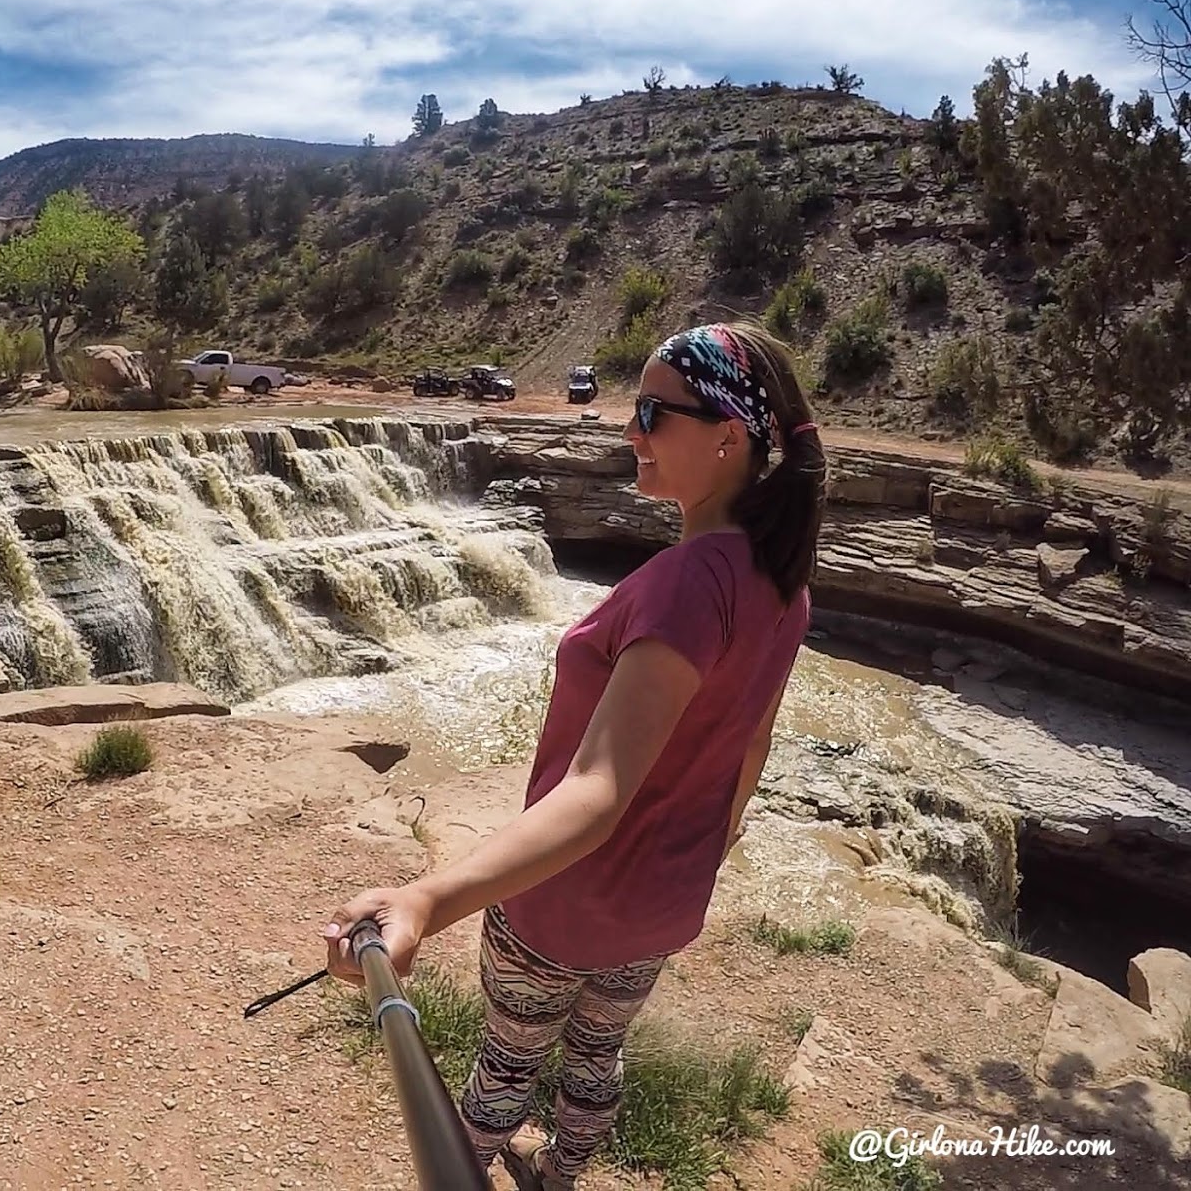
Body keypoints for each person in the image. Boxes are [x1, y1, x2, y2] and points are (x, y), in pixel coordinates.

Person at [321, 320, 827, 1189]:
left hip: (559, 908)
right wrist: (712, 841)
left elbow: (596, 791)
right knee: (597, 1058)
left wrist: (423, 899)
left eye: (653, 413)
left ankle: (471, 1171)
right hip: (663, 907)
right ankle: (563, 1174)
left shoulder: (682, 586)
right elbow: (752, 741)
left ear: (728, 438)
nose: (630, 432)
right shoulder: (784, 585)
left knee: (507, 1066)